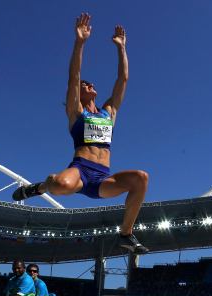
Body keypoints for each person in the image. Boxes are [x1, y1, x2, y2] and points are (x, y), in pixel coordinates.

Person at [12, 12, 149, 254]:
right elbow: (74, 76)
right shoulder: (76, 113)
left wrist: (122, 48)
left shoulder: (109, 112)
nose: (90, 85)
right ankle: (41, 186)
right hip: (80, 170)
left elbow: (123, 79)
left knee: (141, 178)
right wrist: (80, 42)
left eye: (91, 84)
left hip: (103, 179)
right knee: (59, 184)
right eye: (86, 86)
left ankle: (126, 234)